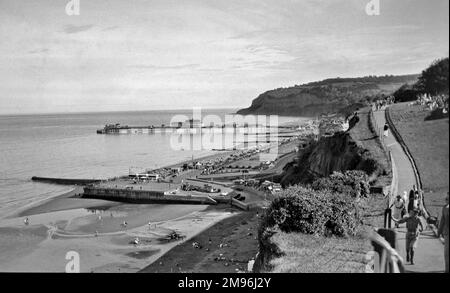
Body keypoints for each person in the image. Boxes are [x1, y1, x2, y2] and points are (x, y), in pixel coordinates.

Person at [438, 193, 449, 273]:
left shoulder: (446, 208)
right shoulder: (445, 208)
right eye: (446, 198)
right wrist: (439, 231)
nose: (446, 200)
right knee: (447, 253)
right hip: (447, 233)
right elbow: (442, 220)